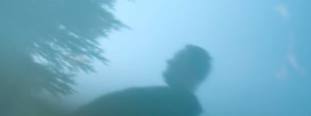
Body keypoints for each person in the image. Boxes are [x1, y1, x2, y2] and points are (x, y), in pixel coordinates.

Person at [74, 45, 212, 116]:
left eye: (179, 57)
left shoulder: (171, 106)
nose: (169, 61)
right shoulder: (169, 101)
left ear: (192, 70)